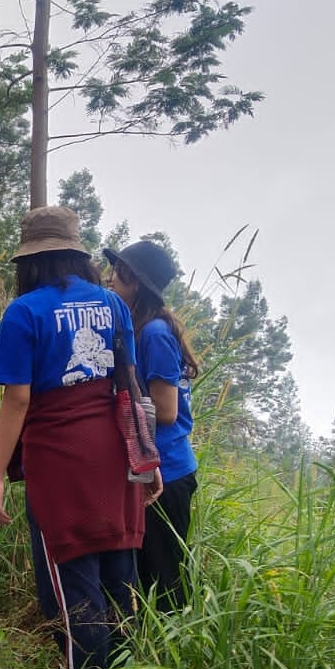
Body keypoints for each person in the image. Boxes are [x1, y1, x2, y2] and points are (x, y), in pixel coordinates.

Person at [0, 206, 161, 669]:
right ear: (77, 254)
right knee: (119, 581)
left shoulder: (24, 313)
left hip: (59, 460)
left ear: (31, 261)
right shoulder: (113, 305)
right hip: (114, 454)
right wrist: (147, 458)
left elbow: (18, 398)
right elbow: (131, 383)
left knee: (74, 587)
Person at [104, 241, 198, 613]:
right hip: (152, 468)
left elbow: (166, 410)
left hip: (169, 472)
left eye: (119, 271)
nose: (111, 277)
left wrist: (112, 409)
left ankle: (175, 660)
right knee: (149, 576)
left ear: (136, 282)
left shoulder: (154, 333)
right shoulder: (136, 328)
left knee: (165, 578)